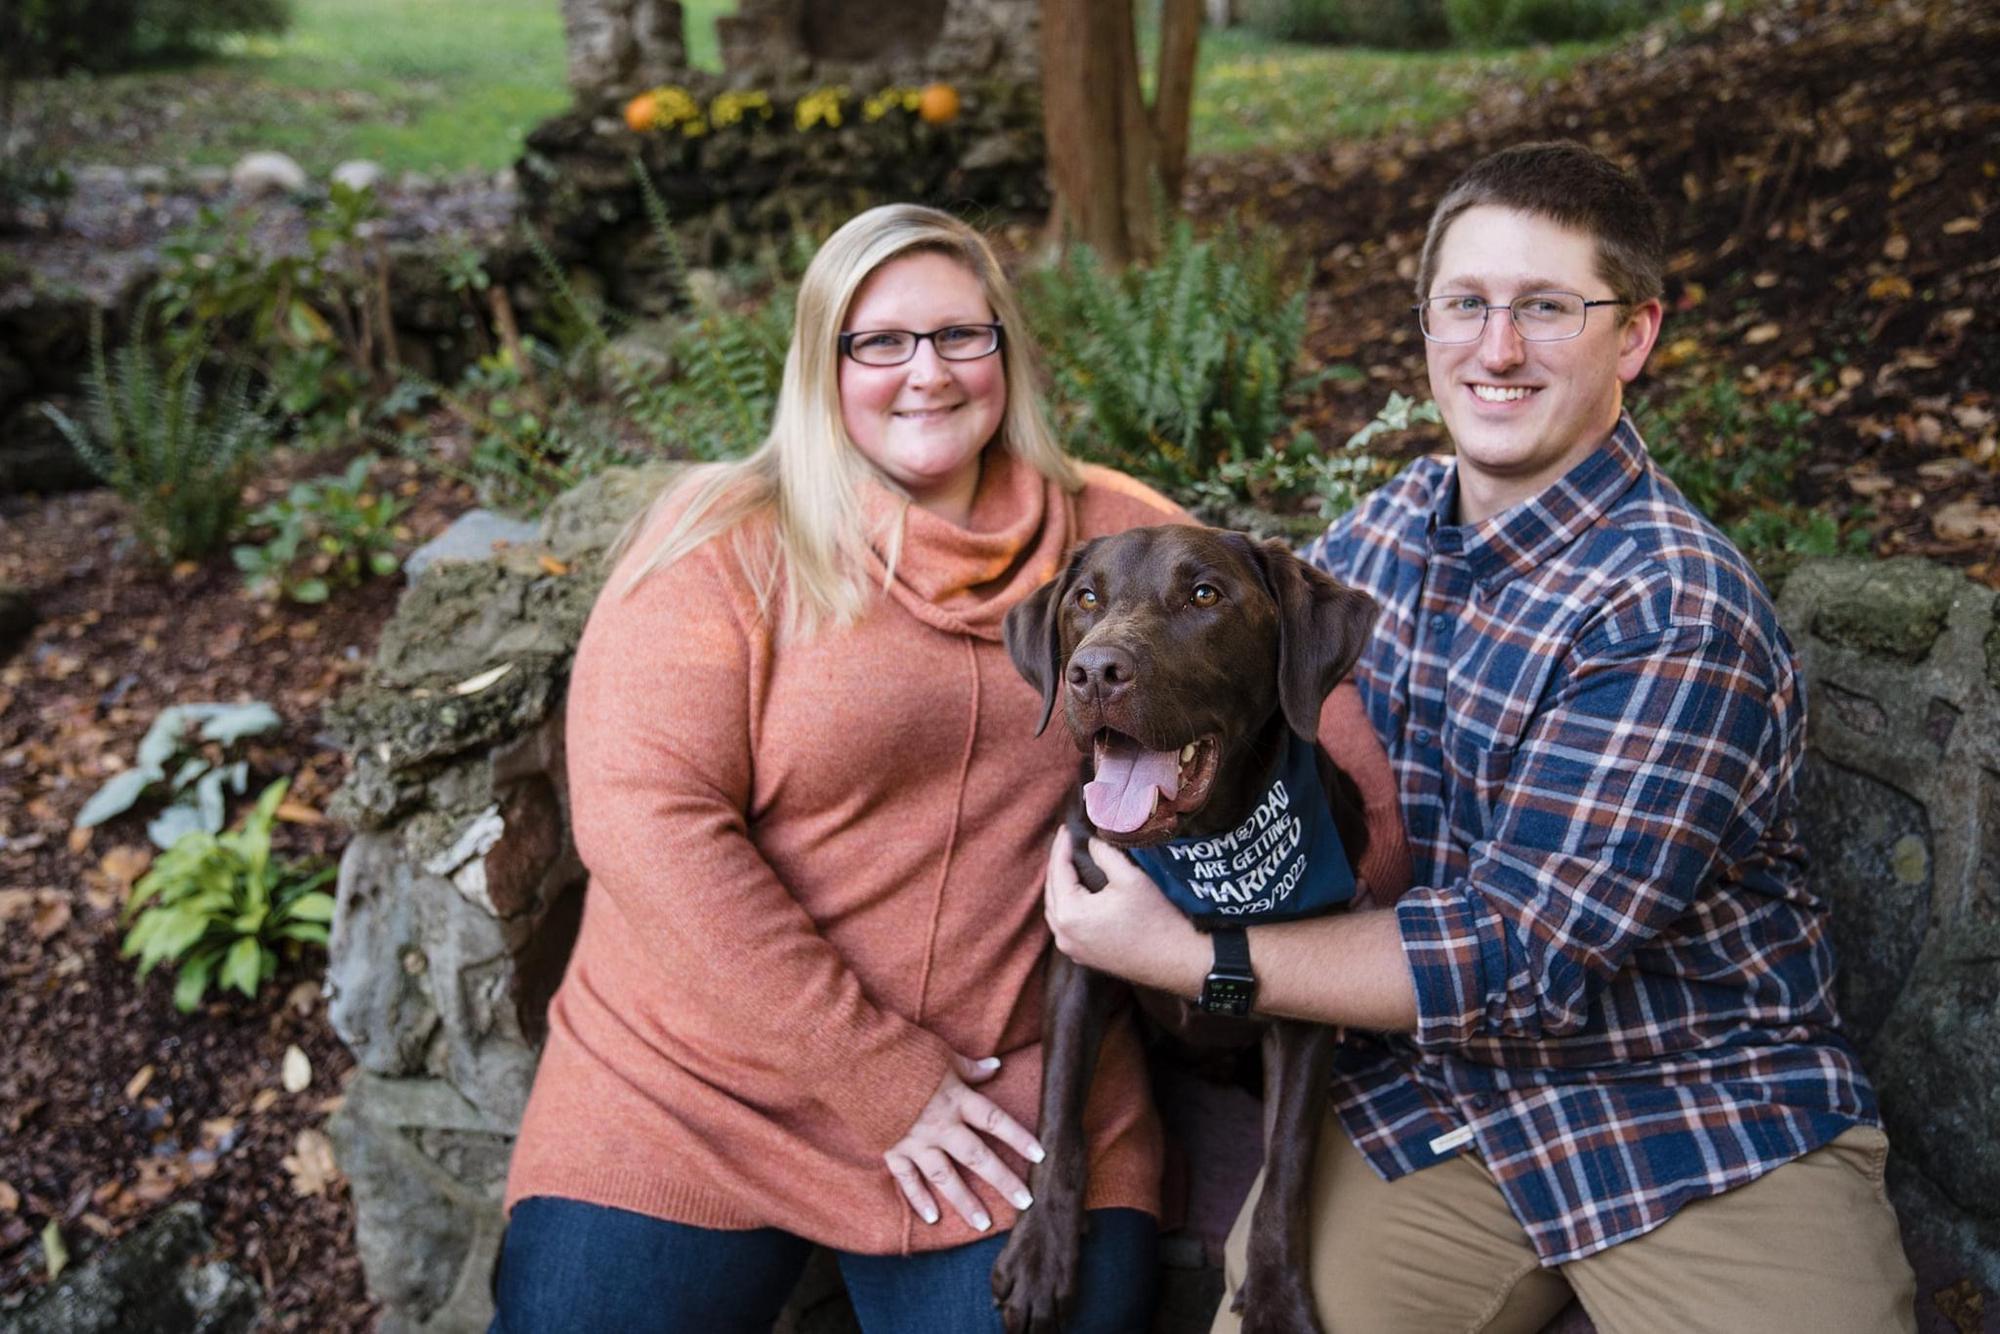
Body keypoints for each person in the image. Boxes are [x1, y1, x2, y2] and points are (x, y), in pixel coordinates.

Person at [1043, 141, 1919, 1333]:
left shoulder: (1671, 610)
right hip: (1425, 1105)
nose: (1494, 348)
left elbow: (1515, 955)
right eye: (1464, 304)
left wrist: (1190, 954)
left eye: (1546, 308)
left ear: (1636, 333)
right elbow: (1207, 634)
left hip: (1692, 1117)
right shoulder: (1386, 528)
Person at [490, 201, 1410, 1334]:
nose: (923, 371)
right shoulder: (723, 538)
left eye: (958, 335)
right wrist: (877, 1073)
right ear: (820, 366)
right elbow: (645, 823)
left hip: (1008, 1092)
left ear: (1004, 354)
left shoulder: (1110, 529)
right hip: (694, 1080)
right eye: (877, 341)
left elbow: (1323, 726)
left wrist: (1243, 945)